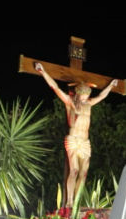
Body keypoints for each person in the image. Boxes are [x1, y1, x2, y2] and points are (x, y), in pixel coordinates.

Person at [34, 62, 118, 207]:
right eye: (83, 96)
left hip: (85, 141)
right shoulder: (70, 103)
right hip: (73, 139)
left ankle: (76, 200)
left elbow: (102, 96)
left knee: (83, 173)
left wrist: (111, 86)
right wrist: (43, 72)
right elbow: (55, 87)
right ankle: (69, 202)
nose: (85, 98)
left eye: (87, 95)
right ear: (78, 94)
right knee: (73, 170)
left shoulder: (89, 104)